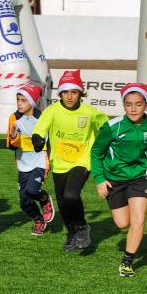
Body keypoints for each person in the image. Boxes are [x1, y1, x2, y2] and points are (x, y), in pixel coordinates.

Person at [30, 69, 108, 252]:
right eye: (65, 92)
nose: (70, 96)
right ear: (60, 94)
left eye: (74, 92)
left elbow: (105, 126)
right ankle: (71, 233)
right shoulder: (52, 111)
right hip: (59, 162)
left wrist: (107, 140)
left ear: (81, 92)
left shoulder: (89, 112)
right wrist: (37, 139)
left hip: (82, 160)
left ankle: (82, 227)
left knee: (71, 195)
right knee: (63, 203)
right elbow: (39, 129)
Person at [91, 83, 147, 278]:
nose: (133, 108)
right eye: (129, 104)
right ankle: (130, 230)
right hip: (114, 180)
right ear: (123, 105)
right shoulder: (113, 127)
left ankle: (127, 261)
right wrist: (99, 179)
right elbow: (96, 152)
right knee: (123, 223)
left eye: (138, 104)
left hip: (138, 178)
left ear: (145, 105)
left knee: (139, 220)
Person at [6, 83, 55, 235]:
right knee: (23, 202)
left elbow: (50, 143)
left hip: (40, 162)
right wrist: (13, 138)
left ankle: (44, 198)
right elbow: (11, 145)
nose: (19, 103)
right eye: (18, 100)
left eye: (23, 100)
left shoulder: (43, 118)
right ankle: (38, 220)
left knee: (33, 190)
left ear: (32, 102)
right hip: (23, 164)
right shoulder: (14, 118)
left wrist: (48, 164)